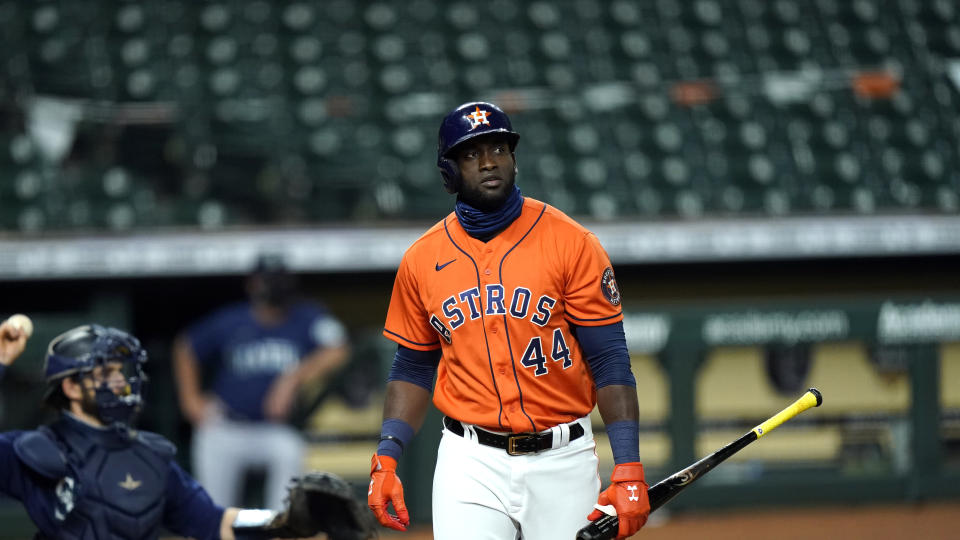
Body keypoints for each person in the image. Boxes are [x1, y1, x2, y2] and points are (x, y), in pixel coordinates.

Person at [366, 102, 651, 540]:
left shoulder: (571, 243)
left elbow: (610, 358)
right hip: (470, 460)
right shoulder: (422, 259)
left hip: (563, 458)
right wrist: (386, 457)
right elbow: (413, 365)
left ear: (514, 158)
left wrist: (629, 466)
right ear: (449, 172)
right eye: (470, 154)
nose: (487, 162)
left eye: (498, 148)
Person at [0, 322, 300, 539]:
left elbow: (214, 521)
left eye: (120, 371)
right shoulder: (35, 449)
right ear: (71, 387)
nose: (119, 381)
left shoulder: (149, 454)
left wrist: (282, 522)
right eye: (105, 373)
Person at [173, 254, 351, 510]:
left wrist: (292, 378)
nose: (272, 287)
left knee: (289, 452)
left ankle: (279, 530)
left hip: (275, 429)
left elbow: (338, 348)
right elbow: (186, 346)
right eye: (266, 280)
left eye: (278, 280)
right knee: (212, 515)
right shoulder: (232, 319)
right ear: (251, 284)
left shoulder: (305, 317)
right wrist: (190, 399)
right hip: (225, 425)